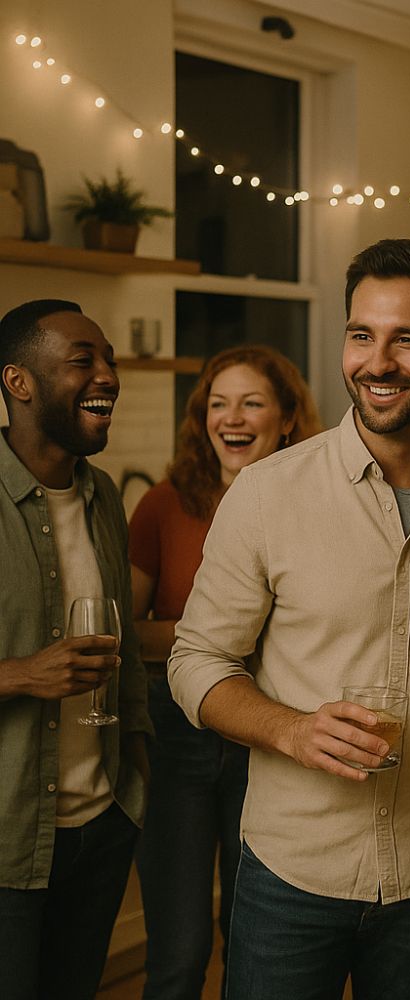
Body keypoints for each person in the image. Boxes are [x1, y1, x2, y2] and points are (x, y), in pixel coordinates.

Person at [168, 239, 410, 1000]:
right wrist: (290, 728)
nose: (376, 362)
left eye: (406, 338)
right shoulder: (267, 493)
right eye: (361, 335)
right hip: (292, 873)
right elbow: (195, 663)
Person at [130, 345, 322, 1000]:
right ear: (200, 419)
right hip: (179, 734)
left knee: (258, 938)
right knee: (178, 951)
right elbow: (120, 630)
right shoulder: (162, 505)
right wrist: (215, 638)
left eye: (251, 402)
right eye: (217, 403)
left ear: (289, 418)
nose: (231, 417)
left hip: (273, 738)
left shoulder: (317, 507)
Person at [0, 299, 152, 1000]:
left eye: (110, 361)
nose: (107, 376)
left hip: (99, 827)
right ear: (18, 382)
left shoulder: (104, 501)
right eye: (82, 360)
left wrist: (133, 793)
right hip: (5, 845)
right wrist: (20, 675)